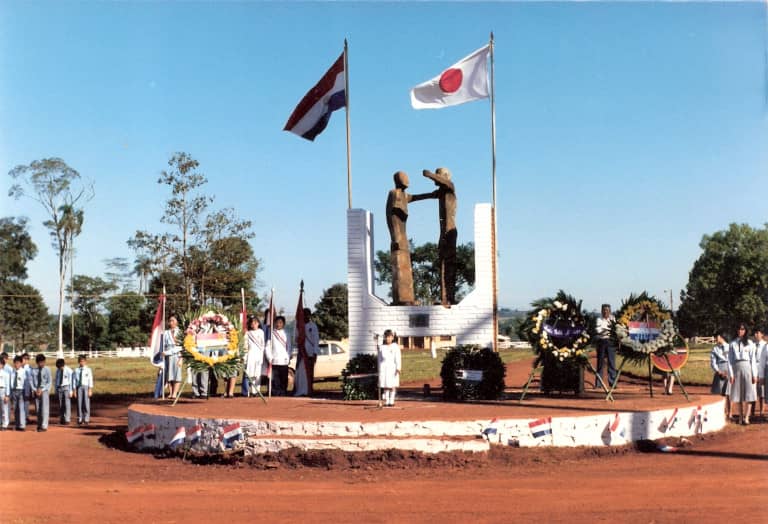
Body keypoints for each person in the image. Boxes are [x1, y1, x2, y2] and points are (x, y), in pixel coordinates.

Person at [386, 170, 437, 305]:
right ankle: (401, 299)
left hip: (403, 236)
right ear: (398, 180)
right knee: (399, 268)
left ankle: (408, 298)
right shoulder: (394, 193)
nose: (407, 180)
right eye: (404, 178)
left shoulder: (403, 195)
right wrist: (395, 236)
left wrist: (431, 195)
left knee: (406, 268)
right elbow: (390, 215)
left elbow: (415, 197)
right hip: (397, 237)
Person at [423, 168, 458, 306]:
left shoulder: (450, 187)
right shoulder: (441, 193)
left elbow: (444, 182)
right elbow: (426, 196)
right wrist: (409, 198)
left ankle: (450, 297)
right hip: (443, 233)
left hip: (450, 231)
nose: (436, 178)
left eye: (439, 175)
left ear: (444, 177)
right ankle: (445, 298)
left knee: (449, 264)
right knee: (442, 264)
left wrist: (430, 175)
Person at [727, 323, 757, 425]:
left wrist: (754, 374)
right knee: (738, 394)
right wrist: (731, 374)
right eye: (739, 329)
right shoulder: (732, 344)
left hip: (747, 367)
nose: (740, 331)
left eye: (743, 329)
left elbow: (753, 359)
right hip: (737, 368)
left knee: (749, 393)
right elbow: (730, 360)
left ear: (745, 331)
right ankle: (740, 417)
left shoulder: (750, 343)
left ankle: (747, 417)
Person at [294, 308, 319, 397]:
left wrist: (315, 353)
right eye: (304, 314)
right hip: (302, 352)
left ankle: (309, 390)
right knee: (300, 373)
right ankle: (300, 390)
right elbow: (296, 339)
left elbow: (316, 341)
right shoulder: (299, 326)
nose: (306, 316)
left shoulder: (313, 326)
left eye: (307, 314)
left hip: (310, 352)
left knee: (309, 373)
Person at [266, 316, 291, 396]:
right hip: (275, 359)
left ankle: (283, 391)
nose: (278, 324)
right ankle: (276, 392)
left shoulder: (287, 333)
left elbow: (289, 346)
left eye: (280, 322)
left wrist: (288, 356)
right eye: (277, 322)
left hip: (284, 360)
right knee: (275, 379)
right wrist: (269, 357)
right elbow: (267, 346)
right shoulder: (271, 333)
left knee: (284, 378)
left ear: (283, 324)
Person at [594, 304, 616, 390]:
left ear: (610, 311)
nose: (605, 311)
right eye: (604, 310)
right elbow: (598, 330)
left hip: (611, 342)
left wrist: (605, 330)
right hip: (601, 342)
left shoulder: (613, 319)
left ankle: (612, 383)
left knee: (612, 363)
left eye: (607, 310)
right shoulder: (599, 319)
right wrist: (608, 330)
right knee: (600, 363)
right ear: (601, 311)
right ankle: (598, 383)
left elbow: (614, 330)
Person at [709, 332, 731, 419]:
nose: (715, 338)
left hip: (729, 369)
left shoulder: (730, 347)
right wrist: (718, 371)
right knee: (720, 392)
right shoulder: (715, 349)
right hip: (720, 368)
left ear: (721, 337)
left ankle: (730, 412)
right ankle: (722, 411)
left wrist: (730, 371)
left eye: (717, 336)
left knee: (729, 392)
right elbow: (713, 362)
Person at [378, 329, 402, 407]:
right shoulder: (382, 347)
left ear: (392, 337)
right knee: (386, 385)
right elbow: (379, 359)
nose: (388, 339)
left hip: (392, 367)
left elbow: (398, 358)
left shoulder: (395, 347)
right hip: (384, 367)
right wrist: (379, 368)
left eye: (389, 337)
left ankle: (392, 400)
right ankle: (387, 400)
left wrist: (398, 367)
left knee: (392, 384)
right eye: (386, 337)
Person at [243, 316, 265, 396]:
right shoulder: (248, 333)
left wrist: (262, 356)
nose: (254, 324)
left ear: (258, 323)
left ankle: (257, 390)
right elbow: (245, 345)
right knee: (251, 374)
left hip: (258, 355)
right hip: (251, 355)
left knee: (257, 374)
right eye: (252, 323)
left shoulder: (261, 332)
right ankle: (252, 391)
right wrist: (245, 357)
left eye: (255, 322)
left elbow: (263, 345)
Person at [163, 315, 183, 400]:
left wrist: (181, 359)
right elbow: (163, 344)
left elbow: (181, 346)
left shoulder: (180, 332)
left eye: (173, 321)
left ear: (177, 322)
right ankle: (170, 393)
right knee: (169, 375)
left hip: (177, 355)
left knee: (176, 375)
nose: (171, 322)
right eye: (170, 321)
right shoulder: (166, 332)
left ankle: (175, 393)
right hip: (167, 356)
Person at [32, 354, 51, 432]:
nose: (42, 364)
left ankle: (44, 425)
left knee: (44, 409)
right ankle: (39, 424)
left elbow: (49, 382)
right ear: (37, 362)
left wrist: (42, 390)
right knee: (38, 409)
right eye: (40, 362)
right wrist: (35, 390)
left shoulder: (47, 369)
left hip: (44, 391)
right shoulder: (34, 371)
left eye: (43, 362)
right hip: (36, 391)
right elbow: (31, 381)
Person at [73, 354, 94, 426]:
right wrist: (74, 391)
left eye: (83, 361)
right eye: (80, 361)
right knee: (79, 403)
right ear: (78, 362)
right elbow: (74, 381)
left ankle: (86, 419)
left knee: (86, 403)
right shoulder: (76, 370)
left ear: (85, 362)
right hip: (79, 387)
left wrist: (90, 390)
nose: (82, 363)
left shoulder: (88, 370)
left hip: (86, 387)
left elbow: (90, 380)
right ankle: (80, 418)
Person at [10, 355, 27, 431]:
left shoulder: (23, 371)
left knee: (21, 408)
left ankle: (22, 425)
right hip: (14, 391)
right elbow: (11, 382)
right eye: (15, 363)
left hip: (21, 390)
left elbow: (26, 382)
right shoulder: (12, 372)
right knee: (16, 408)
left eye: (18, 363)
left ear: (21, 363)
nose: (16, 365)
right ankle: (17, 424)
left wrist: (26, 392)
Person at [55, 358, 73, 425]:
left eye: (61, 367)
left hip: (66, 387)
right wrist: (56, 389)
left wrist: (71, 391)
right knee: (61, 404)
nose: (60, 368)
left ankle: (67, 419)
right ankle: (62, 418)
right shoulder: (58, 370)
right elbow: (56, 380)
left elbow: (71, 381)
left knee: (67, 404)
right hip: (59, 387)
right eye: (59, 367)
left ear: (63, 365)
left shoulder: (69, 370)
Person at [753, 328, 766, 418]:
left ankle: (761, 411)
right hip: (753, 369)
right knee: (753, 391)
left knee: (761, 391)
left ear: (762, 334)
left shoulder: (765, 345)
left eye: (757, 333)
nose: (755, 335)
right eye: (755, 333)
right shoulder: (753, 345)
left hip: (762, 369)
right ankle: (752, 411)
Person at [0, 353, 9, 431]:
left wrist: (7, 395)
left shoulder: (6, 374)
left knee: (4, 408)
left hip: (3, 390)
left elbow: (7, 385)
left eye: (0, 364)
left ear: (3, 365)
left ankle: (5, 424)